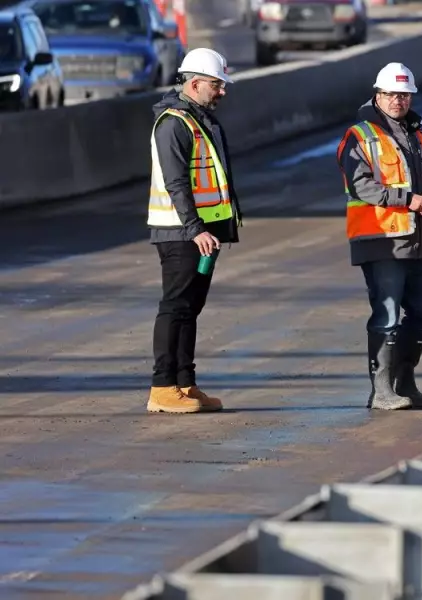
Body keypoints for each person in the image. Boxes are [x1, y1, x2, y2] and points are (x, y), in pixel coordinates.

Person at [336, 62, 422, 411]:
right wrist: (407, 199)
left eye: (404, 95)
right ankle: (381, 390)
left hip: (417, 241)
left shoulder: (420, 138)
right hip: (380, 240)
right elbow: (361, 185)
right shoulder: (360, 136)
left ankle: (405, 381)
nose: (398, 101)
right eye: (391, 94)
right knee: (385, 315)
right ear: (378, 96)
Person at [146, 48, 242, 414]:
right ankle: (162, 387)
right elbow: (176, 183)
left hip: (202, 233)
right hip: (181, 234)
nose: (222, 91)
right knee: (175, 307)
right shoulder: (174, 123)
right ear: (196, 83)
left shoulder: (198, 119)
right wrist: (194, 228)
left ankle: (184, 383)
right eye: (217, 85)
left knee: (190, 307)